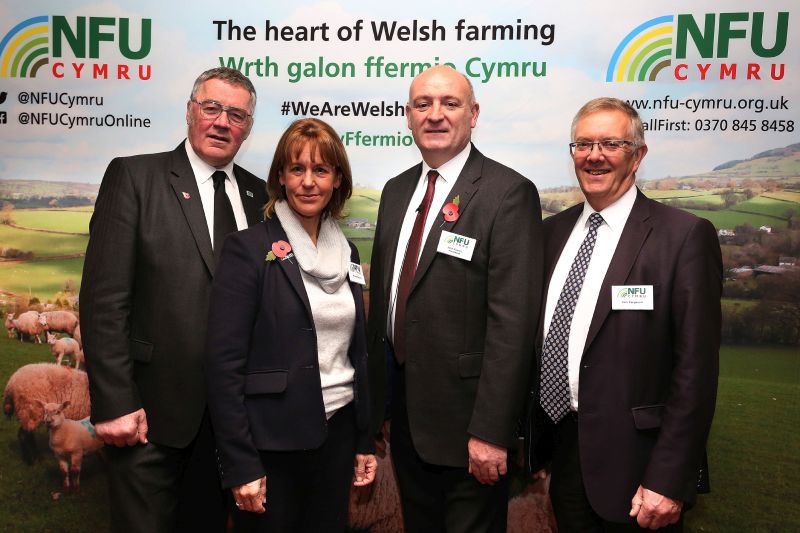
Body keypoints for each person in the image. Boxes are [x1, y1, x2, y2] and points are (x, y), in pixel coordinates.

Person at [80, 67, 267, 533]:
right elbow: (104, 299)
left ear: (248, 127)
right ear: (190, 111)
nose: (223, 122)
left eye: (237, 115)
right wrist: (115, 401)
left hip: (231, 424)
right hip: (148, 419)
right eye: (212, 108)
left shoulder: (260, 195)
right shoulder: (135, 177)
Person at [530, 97, 721, 532]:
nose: (594, 156)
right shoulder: (549, 234)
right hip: (564, 454)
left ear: (638, 155)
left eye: (610, 143)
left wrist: (668, 480)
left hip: (640, 472)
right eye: (583, 144)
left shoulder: (683, 236)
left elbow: (696, 373)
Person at [366, 65, 543, 532]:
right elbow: (384, 309)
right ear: (408, 116)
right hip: (404, 421)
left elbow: (514, 324)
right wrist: (380, 409)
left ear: (474, 113)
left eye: (450, 103)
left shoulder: (508, 194)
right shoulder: (396, 191)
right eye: (423, 104)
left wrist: (490, 431)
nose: (436, 115)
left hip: (471, 430)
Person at [205, 118, 377, 532]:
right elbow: (223, 365)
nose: (308, 182)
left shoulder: (347, 252)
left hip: (336, 435)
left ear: (338, 179)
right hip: (270, 444)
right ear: (280, 177)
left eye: (320, 170)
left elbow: (355, 351)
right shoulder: (248, 250)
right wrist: (241, 464)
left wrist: (362, 440)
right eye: (297, 169)